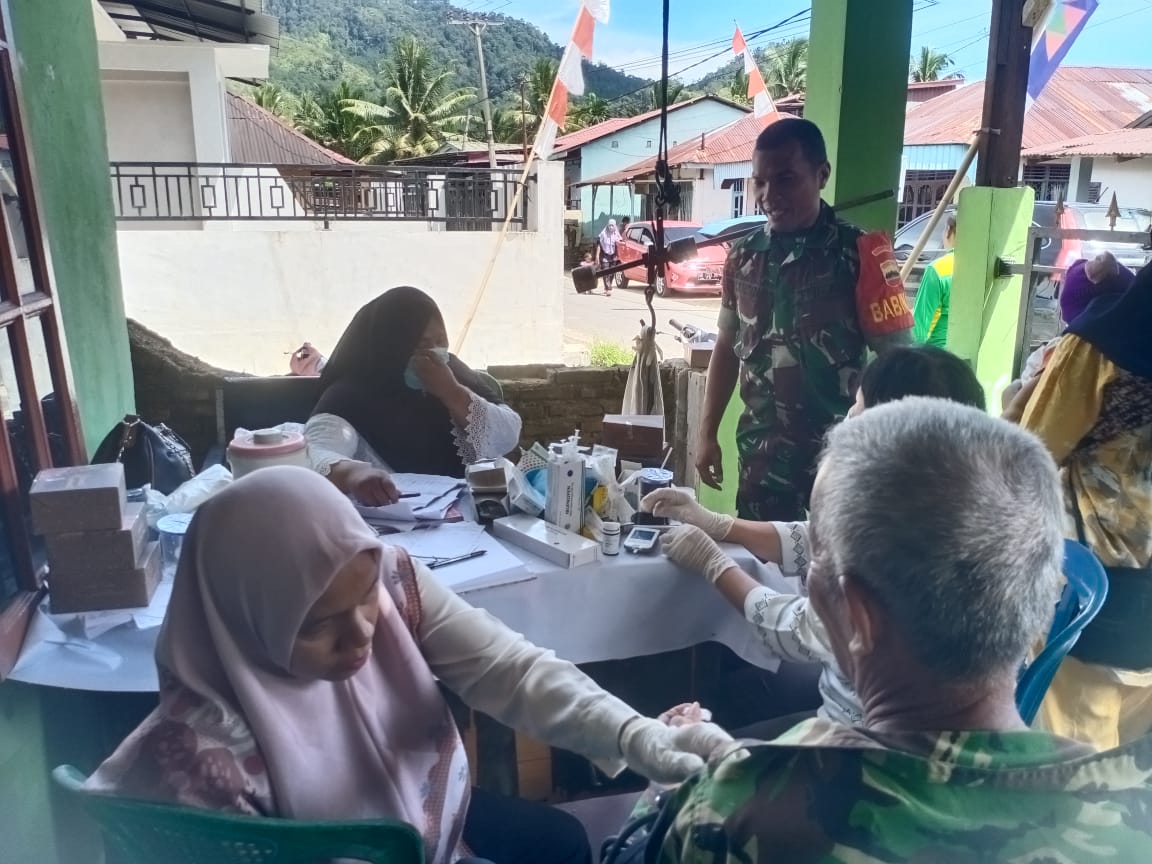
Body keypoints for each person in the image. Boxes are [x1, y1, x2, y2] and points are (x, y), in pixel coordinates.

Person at [87, 467, 733, 864]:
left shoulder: (389, 578)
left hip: (420, 820)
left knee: (562, 841)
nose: (364, 631)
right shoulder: (199, 768)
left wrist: (632, 734)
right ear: (247, 626)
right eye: (317, 626)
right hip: (391, 841)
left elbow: (509, 668)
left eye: (364, 597)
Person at [647, 399, 1152, 862]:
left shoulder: (732, 815)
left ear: (859, 618)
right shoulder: (1132, 822)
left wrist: (671, 788)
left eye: (819, 558)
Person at [645, 346, 986, 728]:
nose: (846, 421)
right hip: (880, 704)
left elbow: (794, 630)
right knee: (737, 685)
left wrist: (714, 563)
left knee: (698, 739)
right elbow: (824, 538)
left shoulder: (907, 562)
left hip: (862, 745)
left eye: (857, 411)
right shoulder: (951, 506)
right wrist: (721, 525)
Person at [697, 117, 913, 522]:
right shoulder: (743, 256)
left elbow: (897, 367)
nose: (768, 195)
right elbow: (726, 348)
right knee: (759, 578)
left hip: (838, 467)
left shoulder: (861, 254)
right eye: (759, 182)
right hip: (760, 465)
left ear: (822, 175)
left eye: (786, 179)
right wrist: (707, 433)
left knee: (830, 581)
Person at [1017, 262, 1152, 750]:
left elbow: (1029, 451)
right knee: (1134, 770)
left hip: (1098, 586)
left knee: (1076, 771)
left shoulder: (1103, 342)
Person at [306, 287, 522, 504]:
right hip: (396, 518)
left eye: (440, 340)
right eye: (421, 344)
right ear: (391, 347)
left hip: (473, 508)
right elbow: (318, 451)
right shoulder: (350, 394)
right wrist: (353, 474)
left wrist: (452, 392)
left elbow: (508, 434)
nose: (435, 352)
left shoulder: (452, 370)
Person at [1001, 251, 1134, 422]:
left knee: (1011, 391)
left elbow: (1026, 406)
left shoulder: (1062, 350)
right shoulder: (1133, 353)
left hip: (1053, 433)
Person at [911, 215, 956, 347]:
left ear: (948, 231)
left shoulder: (938, 270)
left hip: (938, 358)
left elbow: (919, 330)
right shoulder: (982, 267)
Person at [598, 218, 622, 295]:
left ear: (615, 226)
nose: (611, 227)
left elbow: (620, 243)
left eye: (612, 225)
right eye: (609, 225)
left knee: (612, 272)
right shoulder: (603, 234)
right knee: (605, 272)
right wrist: (597, 257)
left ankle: (607, 286)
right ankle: (608, 288)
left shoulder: (617, 234)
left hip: (613, 256)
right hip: (605, 255)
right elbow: (599, 245)